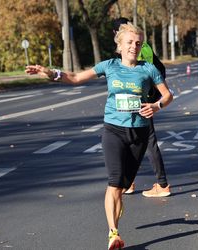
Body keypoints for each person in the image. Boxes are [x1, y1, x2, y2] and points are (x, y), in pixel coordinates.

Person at [25, 22, 173, 250]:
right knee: (114, 183)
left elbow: (167, 95)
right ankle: (113, 233)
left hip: (139, 132)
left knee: (122, 186)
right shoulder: (110, 65)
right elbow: (74, 78)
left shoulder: (148, 69)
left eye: (138, 43)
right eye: (130, 42)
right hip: (113, 130)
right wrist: (49, 72)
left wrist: (156, 106)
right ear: (120, 46)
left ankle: (116, 204)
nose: (134, 46)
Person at [113, 17, 171, 197]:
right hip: (140, 99)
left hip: (136, 100)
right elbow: (158, 69)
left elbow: (134, 73)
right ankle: (130, 183)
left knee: (142, 140)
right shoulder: (143, 46)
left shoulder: (131, 47)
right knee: (135, 140)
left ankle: (161, 184)